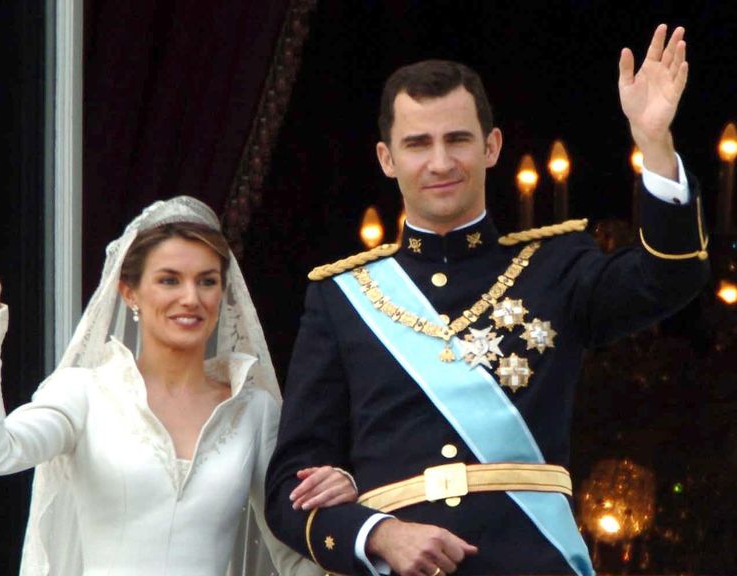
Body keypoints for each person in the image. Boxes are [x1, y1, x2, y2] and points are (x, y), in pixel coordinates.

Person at [265, 24, 709, 576]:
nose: (441, 162)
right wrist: (378, 534)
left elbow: (670, 278)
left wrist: (654, 143)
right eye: (418, 144)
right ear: (386, 158)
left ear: (491, 146)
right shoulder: (343, 298)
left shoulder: (556, 266)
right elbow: (290, 490)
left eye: (457, 139)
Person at [0, 196, 357, 575]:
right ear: (129, 292)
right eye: (169, 279)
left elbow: (291, 551)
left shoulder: (253, 407)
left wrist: (345, 507)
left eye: (207, 281)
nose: (191, 297)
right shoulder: (84, 393)